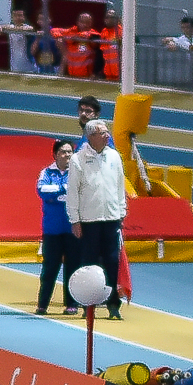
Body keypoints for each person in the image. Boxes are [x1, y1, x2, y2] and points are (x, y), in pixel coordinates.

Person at [66, 119, 127, 320]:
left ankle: (113, 304)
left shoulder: (114, 157)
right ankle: (88, 303)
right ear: (91, 136)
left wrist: (121, 212)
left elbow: (120, 187)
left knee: (112, 261)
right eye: (102, 133)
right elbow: (73, 192)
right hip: (89, 220)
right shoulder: (78, 159)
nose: (107, 135)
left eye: (107, 132)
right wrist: (75, 219)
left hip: (111, 218)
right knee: (89, 264)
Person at [36, 140, 80, 315]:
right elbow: (42, 190)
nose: (67, 155)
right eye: (63, 152)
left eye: (70, 152)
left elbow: (79, 192)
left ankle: (72, 303)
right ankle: (42, 304)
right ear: (55, 155)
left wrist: (56, 194)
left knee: (73, 268)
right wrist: (63, 189)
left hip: (73, 229)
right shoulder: (46, 172)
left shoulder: (77, 173)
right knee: (50, 268)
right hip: (52, 229)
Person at [59, 12, 102, 79]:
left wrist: (75, 38)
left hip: (86, 77)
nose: (85, 25)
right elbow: (54, 31)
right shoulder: (71, 32)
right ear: (78, 22)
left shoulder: (94, 35)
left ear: (91, 23)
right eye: (82, 22)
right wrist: (74, 38)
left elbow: (94, 38)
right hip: (70, 76)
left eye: (87, 22)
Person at [3, 6, 35, 74]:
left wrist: (5, 28)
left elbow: (27, 29)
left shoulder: (28, 27)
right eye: (15, 16)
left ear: (24, 17)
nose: (17, 18)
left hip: (29, 67)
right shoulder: (10, 27)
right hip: (14, 67)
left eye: (20, 15)